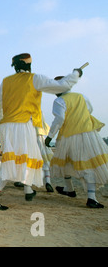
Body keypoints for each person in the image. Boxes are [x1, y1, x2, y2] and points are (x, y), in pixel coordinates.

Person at [0, 53, 83, 210]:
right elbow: (63, 85)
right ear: (30, 65)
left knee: (26, 158)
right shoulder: (35, 78)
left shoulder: (6, 81)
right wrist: (76, 74)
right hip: (24, 125)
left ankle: (27, 189)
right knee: (18, 160)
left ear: (15, 66)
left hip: (7, 125)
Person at [45, 78, 108, 208]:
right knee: (87, 164)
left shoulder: (59, 101)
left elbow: (60, 119)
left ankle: (77, 192)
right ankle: (84, 195)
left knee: (66, 162)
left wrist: (50, 136)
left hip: (69, 135)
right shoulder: (81, 96)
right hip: (89, 134)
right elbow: (89, 110)